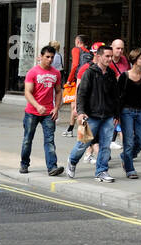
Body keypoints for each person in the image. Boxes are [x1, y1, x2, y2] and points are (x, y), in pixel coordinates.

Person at [68, 46, 122, 183]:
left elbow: (116, 96)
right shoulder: (89, 73)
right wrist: (80, 112)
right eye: (107, 56)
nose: (110, 59)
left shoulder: (110, 74)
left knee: (105, 145)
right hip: (90, 116)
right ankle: (72, 161)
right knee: (82, 144)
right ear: (98, 56)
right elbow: (81, 94)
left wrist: (117, 114)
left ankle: (101, 171)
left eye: (111, 56)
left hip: (108, 116)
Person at [21, 45, 65, 176]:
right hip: (32, 112)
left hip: (48, 113)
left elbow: (58, 92)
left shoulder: (56, 73)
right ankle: (24, 164)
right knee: (28, 139)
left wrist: (56, 108)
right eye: (47, 57)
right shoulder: (32, 72)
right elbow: (27, 93)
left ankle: (52, 167)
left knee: (50, 140)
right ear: (40, 57)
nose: (50, 60)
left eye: (52, 57)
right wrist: (37, 106)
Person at [116, 49, 141, 179]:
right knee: (129, 141)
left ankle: (125, 156)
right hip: (126, 112)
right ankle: (130, 168)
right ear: (135, 60)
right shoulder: (124, 77)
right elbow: (118, 97)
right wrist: (117, 115)